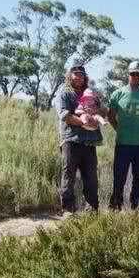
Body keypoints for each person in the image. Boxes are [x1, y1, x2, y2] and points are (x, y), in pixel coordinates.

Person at [107, 61, 139, 210]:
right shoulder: (117, 94)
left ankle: (137, 208)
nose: (135, 76)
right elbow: (111, 116)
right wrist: (119, 129)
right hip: (122, 144)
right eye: (133, 73)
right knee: (119, 178)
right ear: (128, 74)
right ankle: (115, 207)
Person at [56, 65, 102, 214]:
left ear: (85, 77)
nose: (78, 77)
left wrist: (97, 116)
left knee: (91, 179)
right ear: (70, 76)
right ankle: (68, 210)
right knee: (69, 176)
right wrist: (83, 121)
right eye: (75, 74)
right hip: (71, 141)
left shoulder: (90, 94)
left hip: (89, 142)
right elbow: (65, 116)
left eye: (81, 75)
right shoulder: (64, 94)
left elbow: (100, 110)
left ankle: (92, 211)